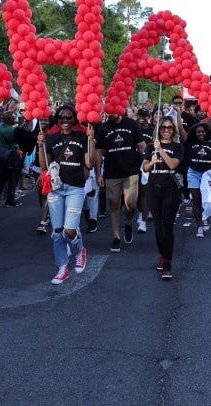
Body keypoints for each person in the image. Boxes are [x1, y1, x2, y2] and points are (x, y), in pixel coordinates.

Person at [42, 104, 93, 285]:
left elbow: (89, 163)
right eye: (61, 117)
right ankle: (62, 267)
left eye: (69, 117)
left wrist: (91, 141)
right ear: (57, 119)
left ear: (74, 119)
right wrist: (40, 145)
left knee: (69, 230)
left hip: (75, 188)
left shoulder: (82, 136)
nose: (65, 120)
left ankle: (79, 251)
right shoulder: (51, 138)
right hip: (56, 188)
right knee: (57, 232)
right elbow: (44, 166)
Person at [94, 111, 146, 253]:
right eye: (108, 111)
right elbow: (98, 152)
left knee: (131, 203)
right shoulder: (103, 128)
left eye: (113, 110)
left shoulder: (132, 124)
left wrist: (148, 163)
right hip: (112, 173)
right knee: (114, 204)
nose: (111, 113)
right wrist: (98, 173)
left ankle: (129, 223)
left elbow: (141, 145)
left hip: (131, 171)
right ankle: (116, 237)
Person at [142, 117, 183, 280]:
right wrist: (151, 162)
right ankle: (162, 253)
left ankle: (167, 262)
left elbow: (173, 164)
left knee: (167, 226)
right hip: (153, 188)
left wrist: (161, 151)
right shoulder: (150, 146)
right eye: (163, 127)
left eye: (170, 128)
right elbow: (145, 168)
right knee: (158, 227)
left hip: (170, 189)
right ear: (159, 129)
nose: (166, 130)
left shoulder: (177, 146)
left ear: (174, 130)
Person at [185, 121, 211, 238]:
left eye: (203, 131)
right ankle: (199, 225)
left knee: (207, 199)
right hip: (193, 173)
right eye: (198, 132)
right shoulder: (190, 143)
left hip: (207, 175)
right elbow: (182, 133)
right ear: (195, 133)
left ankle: (205, 217)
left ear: (207, 132)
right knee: (196, 199)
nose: (201, 133)